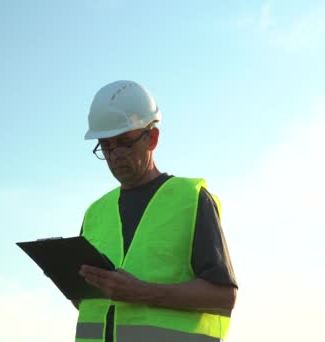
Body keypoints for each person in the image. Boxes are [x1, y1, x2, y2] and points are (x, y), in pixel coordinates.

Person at [75, 80, 237, 342]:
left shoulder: (190, 199)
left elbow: (223, 298)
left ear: (152, 138)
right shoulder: (95, 213)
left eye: (124, 142)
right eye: (106, 146)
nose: (115, 155)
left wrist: (141, 292)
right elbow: (91, 303)